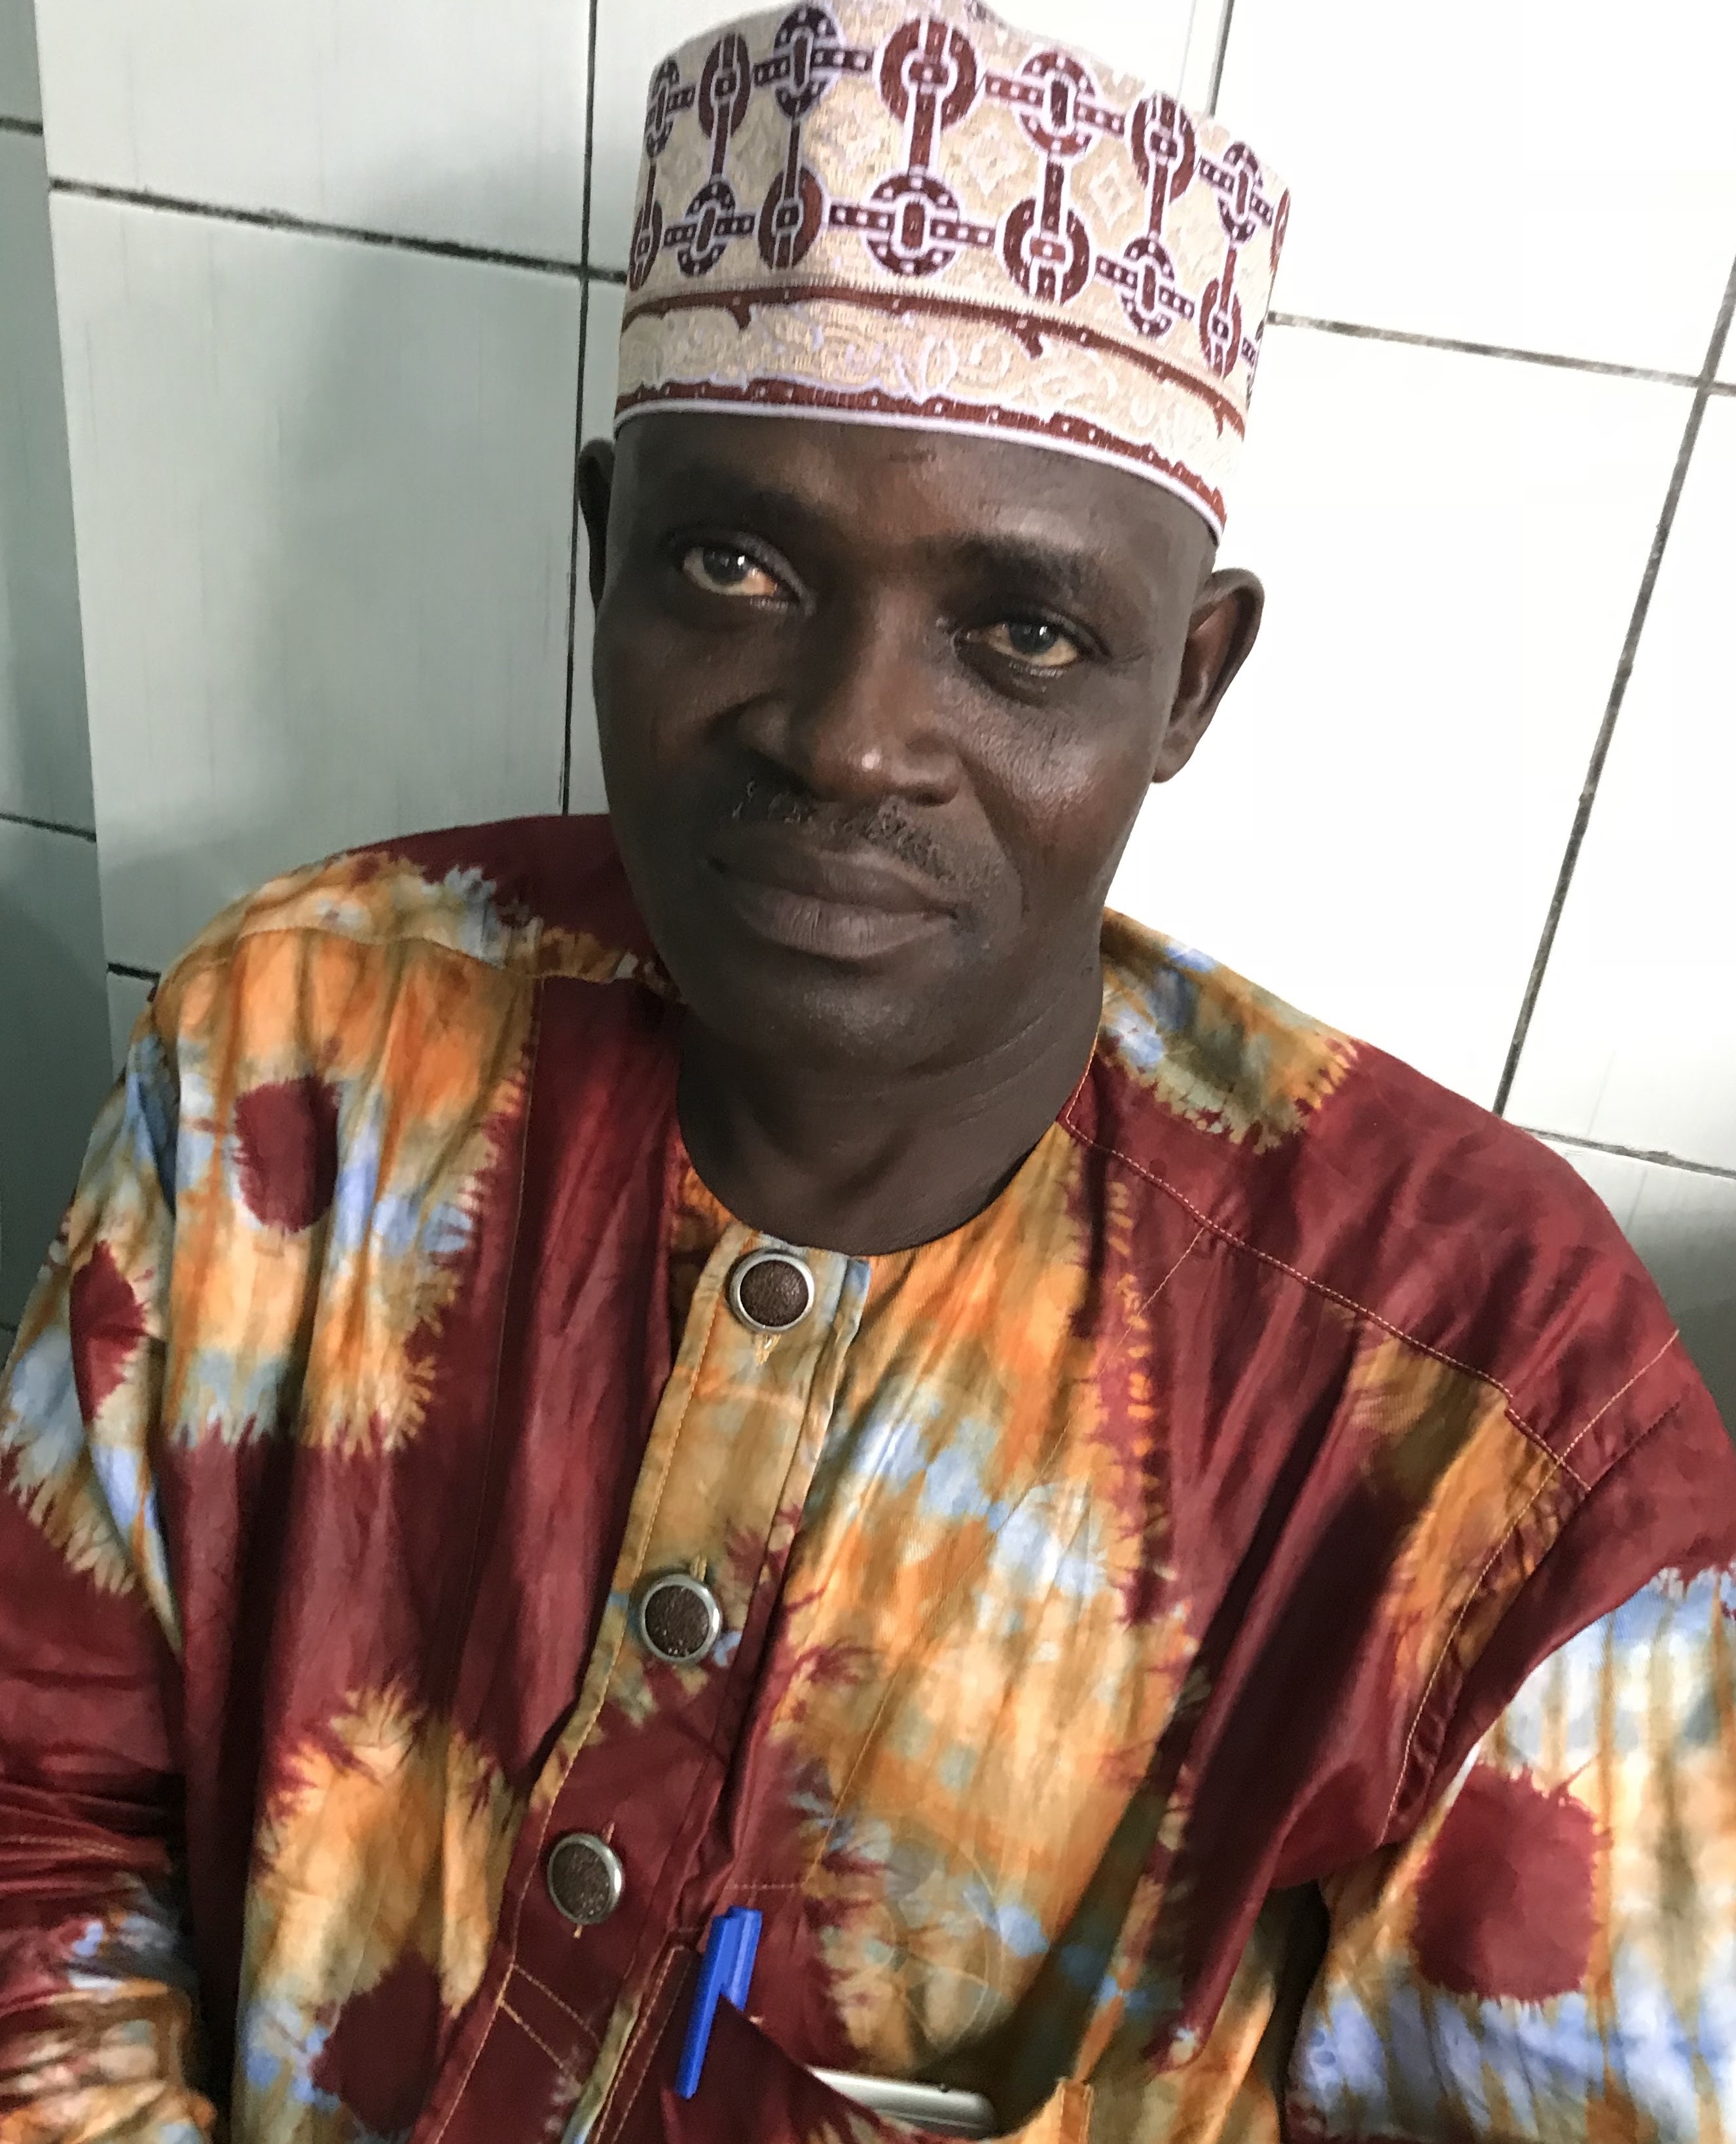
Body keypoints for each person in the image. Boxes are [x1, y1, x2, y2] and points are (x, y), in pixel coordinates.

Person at [3, 2, 1733, 2139]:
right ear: (603, 548)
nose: (844, 738)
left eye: (1021, 631)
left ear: (1186, 683)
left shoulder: (1481, 1406)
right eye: (735, 564)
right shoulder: (290, 1060)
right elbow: (36, 1818)